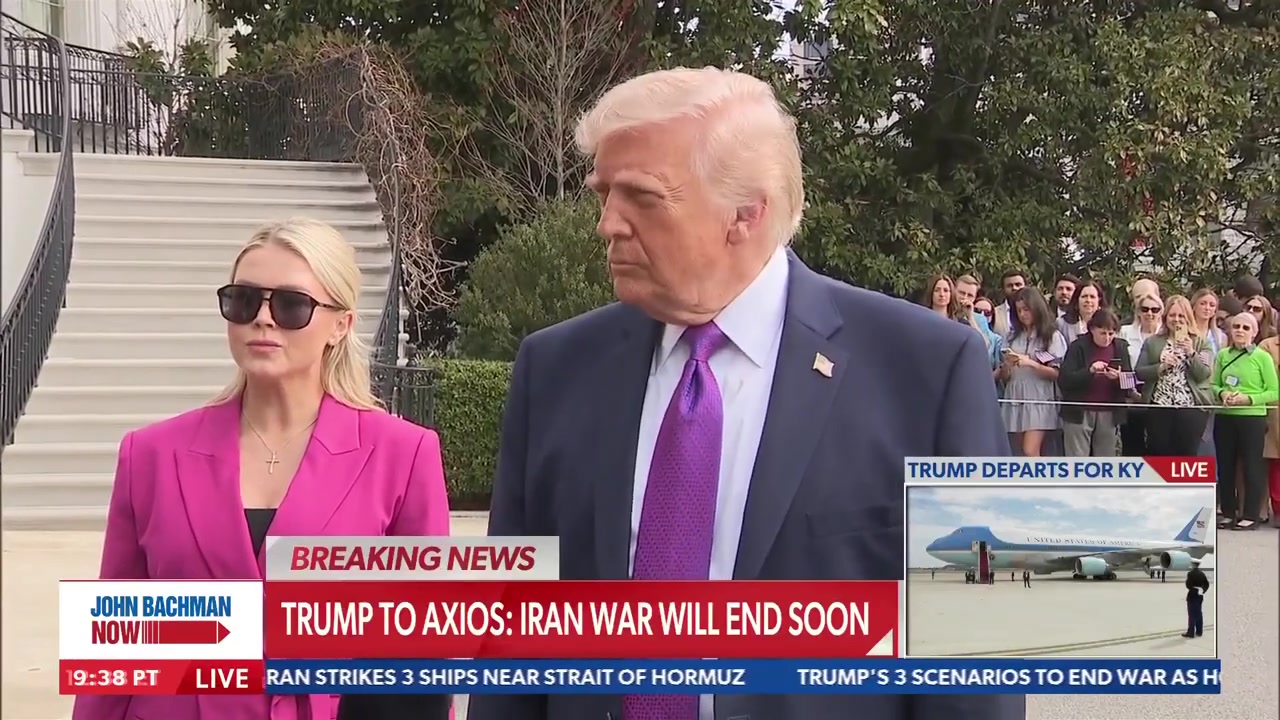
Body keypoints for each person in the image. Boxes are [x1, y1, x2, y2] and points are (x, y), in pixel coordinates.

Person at [470, 67, 1020, 720]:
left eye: (641, 197)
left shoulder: (926, 374)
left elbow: (971, 669)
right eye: (605, 194)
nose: (607, 224)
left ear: (746, 214)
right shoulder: (556, 370)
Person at [72, 218, 453, 720]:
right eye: (244, 300)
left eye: (292, 305)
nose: (263, 319)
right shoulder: (149, 455)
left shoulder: (403, 455)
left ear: (340, 324)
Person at [1213, 311, 1280, 530]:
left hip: (1252, 418)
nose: (1240, 331)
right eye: (1236, 327)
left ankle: (1251, 514)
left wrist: (1249, 399)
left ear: (1254, 332)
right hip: (1225, 416)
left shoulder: (1262, 357)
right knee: (1226, 466)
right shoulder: (1223, 355)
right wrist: (1222, 393)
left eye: (1245, 328)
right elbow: (1214, 384)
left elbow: (1274, 391)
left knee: (1252, 466)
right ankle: (1228, 512)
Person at [1136, 296, 1215, 456]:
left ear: (1188, 318)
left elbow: (1204, 374)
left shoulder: (1201, 342)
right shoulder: (1153, 342)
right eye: (1172, 315)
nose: (1176, 320)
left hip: (1190, 409)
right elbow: (1140, 371)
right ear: (1166, 317)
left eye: (1181, 316)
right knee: (1158, 453)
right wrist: (1161, 367)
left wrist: (1191, 353)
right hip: (1160, 407)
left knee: (1186, 455)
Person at [1056, 309, 1132, 456]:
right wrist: (1089, 371)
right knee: (1077, 458)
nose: (1107, 338)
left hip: (1109, 413)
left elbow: (1130, 382)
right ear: (1092, 329)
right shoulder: (1077, 346)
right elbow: (1064, 380)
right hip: (1080, 412)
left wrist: (1118, 377)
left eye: (1111, 333)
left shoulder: (1120, 347)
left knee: (1106, 459)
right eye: (1103, 333)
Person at [1183, 563, 1210, 638]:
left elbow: (1188, 585)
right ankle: (1199, 631)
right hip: (1200, 595)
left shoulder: (1190, 574)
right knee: (1199, 613)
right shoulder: (1202, 574)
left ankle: (1191, 632)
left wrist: (1193, 589)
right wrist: (1203, 590)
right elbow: (1207, 584)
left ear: (1193, 565)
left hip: (1192, 595)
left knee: (1191, 614)